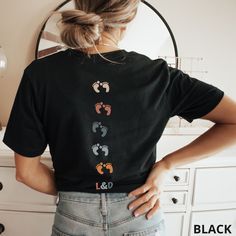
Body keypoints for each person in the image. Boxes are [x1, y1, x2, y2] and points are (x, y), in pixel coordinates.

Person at [2, 0, 236, 235]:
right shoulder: (159, 76)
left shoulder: (40, 74)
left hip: (74, 218)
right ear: (128, 20)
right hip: (140, 212)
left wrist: (76, 193)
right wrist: (166, 165)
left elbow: (26, 172)